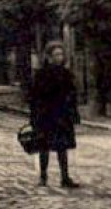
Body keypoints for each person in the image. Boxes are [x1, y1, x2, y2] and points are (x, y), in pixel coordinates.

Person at [27, 41, 81, 188]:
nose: (60, 57)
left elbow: (72, 94)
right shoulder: (41, 74)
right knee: (44, 147)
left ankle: (65, 177)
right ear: (49, 57)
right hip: (46, 116)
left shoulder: (66, 74)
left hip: (62, 115)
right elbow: (34, 96)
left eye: (61, 54)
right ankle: (43, 176)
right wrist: (35, 116)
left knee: (62, 147)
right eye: (56, 54)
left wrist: (73, 113)